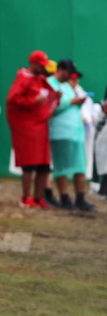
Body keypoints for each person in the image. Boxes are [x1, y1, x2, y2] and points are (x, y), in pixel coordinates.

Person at [6, 51, 60, 209]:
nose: (43, 69)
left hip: (41, 126)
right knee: (28, 164)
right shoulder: (24, 78)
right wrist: (34, 100)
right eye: (41, 65)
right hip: (27, 127)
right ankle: (25, 197)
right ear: (33, 64)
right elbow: (13, 99)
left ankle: (38, 197)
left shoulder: (40, 79)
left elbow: (48, 96)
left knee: (44, 164)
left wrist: (55, 96)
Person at [47, 59, 94, 211]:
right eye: (68, 72)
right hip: (60, 132)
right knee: (62, 167)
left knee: (80, 166)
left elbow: (68, 102)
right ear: (60, 69)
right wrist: (72, 101)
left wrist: (77, 102)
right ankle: (65, 198)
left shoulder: (67, 86)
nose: (70, 75)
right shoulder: (50, 83)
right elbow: (51, 106)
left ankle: (80, 199)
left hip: (76, 131)